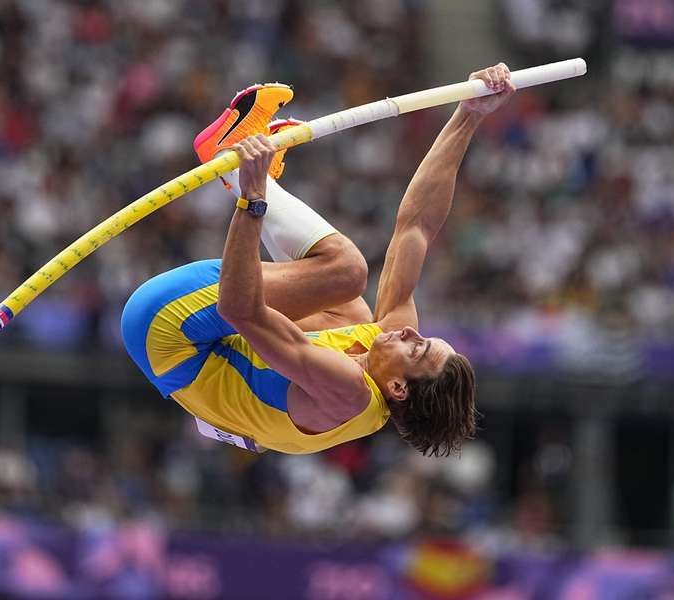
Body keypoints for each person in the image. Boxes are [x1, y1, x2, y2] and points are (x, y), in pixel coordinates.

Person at [122, 64, 516, 455]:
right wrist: (468, 115)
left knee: (347, 273)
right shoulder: (384, 355)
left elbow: (239, 307)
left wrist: (253, 197)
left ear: (398, 388)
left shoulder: (346, 391)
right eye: (423, 338)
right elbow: (416, 227)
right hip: (210, 351)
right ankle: (237, 160)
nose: (412, 333)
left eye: (417, 349)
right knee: (355, 315)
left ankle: (233, 155)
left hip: (167, 332)